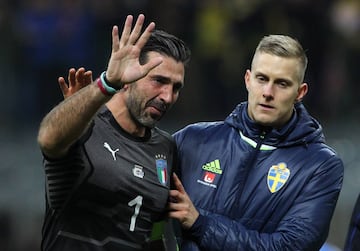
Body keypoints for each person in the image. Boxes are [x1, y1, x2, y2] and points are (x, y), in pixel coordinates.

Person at [167, 34, 344, 250]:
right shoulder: (193, 140)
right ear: (248, 79)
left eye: (282, 84)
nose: (268, 93)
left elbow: (289, 247)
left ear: (300, 92)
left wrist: (201, 224)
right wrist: (112, 87)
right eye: (262, 79)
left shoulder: (320, 166)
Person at [37, 14, 191, 251]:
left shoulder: (165, 148)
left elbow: (154, 232)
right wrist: (106, 84)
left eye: (176, 87)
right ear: (129, 77)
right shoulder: (85, 128)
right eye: (159, 81)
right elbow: (48, 139)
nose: (167, 97)